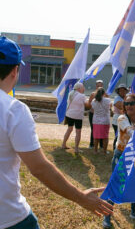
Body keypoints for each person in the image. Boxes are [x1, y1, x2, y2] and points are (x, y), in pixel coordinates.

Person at [0, 37, 113, 229]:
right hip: (9, 218)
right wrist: (81, 197)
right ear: (14, 70)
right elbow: (39, 168)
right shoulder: (13, 110)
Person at [103, 93, 135, 229]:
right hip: (121, 156)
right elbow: (131, 133)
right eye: (126, 104)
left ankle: (134, 212)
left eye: (131, 103)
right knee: (117, 186)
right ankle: (107, 217)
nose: (128, 106)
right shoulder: (122, 118)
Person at [61, 82, 89, 154]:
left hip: (69, 114)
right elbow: (87, 104)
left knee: (69, 129)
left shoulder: (71, 93)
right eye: (83, 87)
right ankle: (76, 148)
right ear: (79, 88)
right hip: (77, 116)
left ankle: (63, 144)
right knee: (78, 131)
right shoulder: (82, 96)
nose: (84, 89)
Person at [91, 87, 112, 154]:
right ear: (104, 93)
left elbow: (92, 109)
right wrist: (107, 96)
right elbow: (110, 106)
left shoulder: (93, 101)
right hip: (105, 120)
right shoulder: (107, 100)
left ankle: (95, 150)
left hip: (96, 120)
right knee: (105, 137)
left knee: (96, 137)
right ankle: (104, 151)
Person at [112, 84, 129, 150]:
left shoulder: (126, 98)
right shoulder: (117, 98)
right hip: (117, 120)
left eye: (123, 90)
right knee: (117, 136)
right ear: (118, 92)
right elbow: (121, 106)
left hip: (124, 120)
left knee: (123, 136)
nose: (122, 92)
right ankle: (115, 150)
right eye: (120, 91)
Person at [88, 80, 104, 149]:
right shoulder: (93, 94)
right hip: (93, 114)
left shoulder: (105, 94)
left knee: (101, 129)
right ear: (96, 86)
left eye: (100, 85)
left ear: (102, 86)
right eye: (98, 85)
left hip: (101, 114)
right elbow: (89, 103)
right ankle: (91, 144)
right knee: (93, 129)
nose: (99, 87)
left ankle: (101, 145)